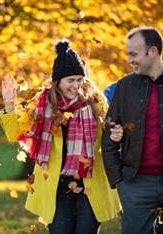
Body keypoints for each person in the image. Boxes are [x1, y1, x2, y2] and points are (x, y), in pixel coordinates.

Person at [0, 39, 121, 234]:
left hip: (91, 184)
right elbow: (16, 133)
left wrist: (117, 133)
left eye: (79, 80)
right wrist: (9, 103)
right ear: (58, 82)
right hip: (56, 187)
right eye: (70, 81)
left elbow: (111, 132)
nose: (76, 86)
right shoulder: (42, 103)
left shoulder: (95, 102)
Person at [101, 26, 163, 234]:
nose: (129, 60)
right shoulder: (124, 86)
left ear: (152, 52)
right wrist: (118, 178)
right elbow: (108, 130)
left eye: (134, 54)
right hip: (135, 183)